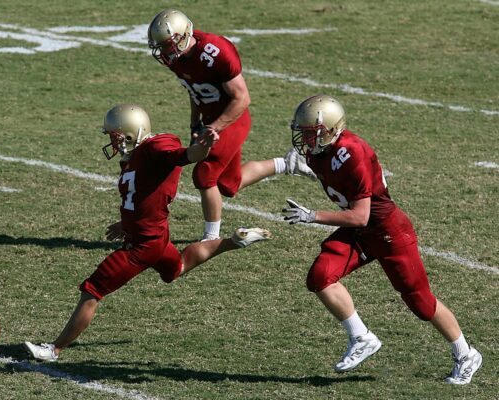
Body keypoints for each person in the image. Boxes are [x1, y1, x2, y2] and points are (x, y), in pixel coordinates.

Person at [24, 104, 271, 361]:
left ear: (133, 132)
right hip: (155, 237)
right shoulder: (136, 155)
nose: (113, 140)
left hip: (141, 246)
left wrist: (204, 147)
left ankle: (54, 349)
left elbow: (188, 155)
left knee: (92, 290)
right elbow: (144, 195)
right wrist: (127, 223)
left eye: (116, 135)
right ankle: (235, 241)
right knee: (177, 268)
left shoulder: (155, 148)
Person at [281, 94, 482, 384]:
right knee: (320, 276)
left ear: (332, 129)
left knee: (420, 302)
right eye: (304, 132)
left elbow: (360, 216)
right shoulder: (318, 152)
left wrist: (313, 216)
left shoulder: (353, 152)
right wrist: (292, 166)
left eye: (312, 132)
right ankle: (361, 337)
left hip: (387, 230)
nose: (306, 139)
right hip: (362, 232)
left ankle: (466, 354)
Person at [147, 9, 303, 241]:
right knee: (230, 184)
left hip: (232, 119)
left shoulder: (215, 51)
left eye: (167, 45)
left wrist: (214, 127)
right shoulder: (177, 58)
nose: (164, 52)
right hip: (210, 119)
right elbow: (194, 91)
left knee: (204, 175)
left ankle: (211, 238)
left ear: (183, 36)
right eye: (160, 47)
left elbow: (242, 98)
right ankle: (288, 163)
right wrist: (195, 123)